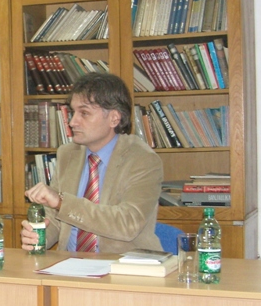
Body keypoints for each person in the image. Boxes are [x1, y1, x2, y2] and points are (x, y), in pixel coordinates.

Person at [20, 73, 163, 254]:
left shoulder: (142, 159)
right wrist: (38, 237)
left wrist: (62, 202)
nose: (72, 122)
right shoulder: (67, 154)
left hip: (122, 265)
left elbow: (128, 224)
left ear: (114, 118)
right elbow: (56, 218)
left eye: (84, 113)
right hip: (70, 263)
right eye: (73, 112)